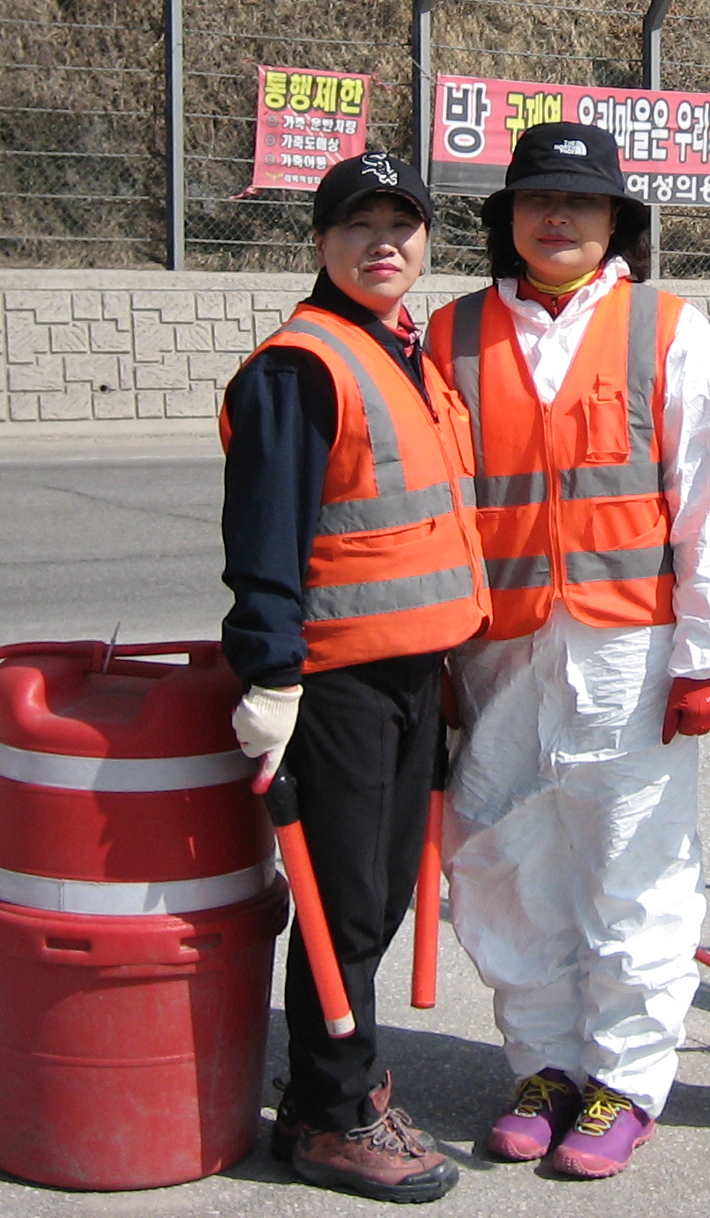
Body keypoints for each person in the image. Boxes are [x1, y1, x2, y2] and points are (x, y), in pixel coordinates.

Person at [423, 122, 710, 1181]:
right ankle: (544, 1069)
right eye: (536, 200)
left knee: (634, 870)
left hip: (631, 653)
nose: (557, 218)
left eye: (579, 201)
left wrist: (708, 655)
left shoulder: (667, 330)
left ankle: (624, 1082)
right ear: (507, 220)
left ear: (617, 220)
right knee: (505, 862)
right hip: (499, 651)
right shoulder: (451, 336)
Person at [218, 151, 490, 1204]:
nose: (384, 243)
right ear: (321, 242)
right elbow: (267, 539)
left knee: (375, 897)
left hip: (410, 671)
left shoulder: (405, 354)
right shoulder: (302, 368)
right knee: (344, 903)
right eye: (358, 225)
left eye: (402, 224)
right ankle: (335, 1115)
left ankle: (325, 1091)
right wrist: (270, 673)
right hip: (337, 681)